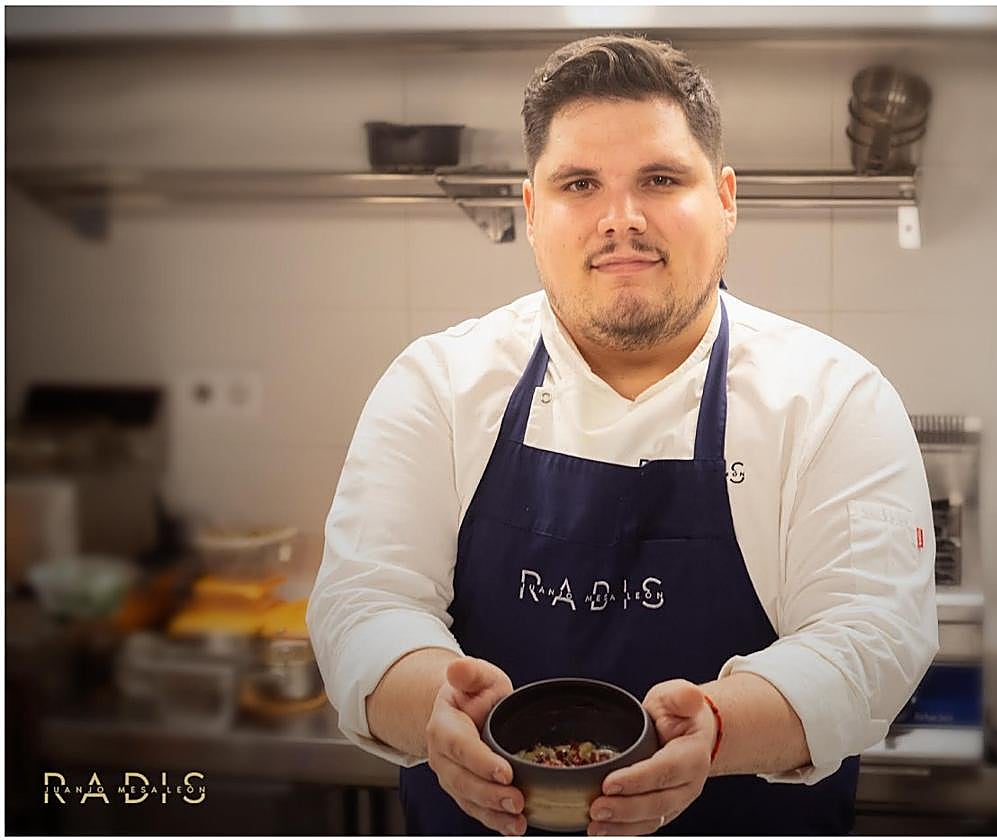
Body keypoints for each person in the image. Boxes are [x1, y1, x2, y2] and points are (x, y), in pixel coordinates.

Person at [308, 34, 938, 836]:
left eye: (662, 179)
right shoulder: (436, 384)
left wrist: (719, 727)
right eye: (579, 184)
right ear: (532, 211)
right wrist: (433, 701)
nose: (622, 220)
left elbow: (870, 639)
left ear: (726, 199)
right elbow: (364, 603)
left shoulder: (834, 400)